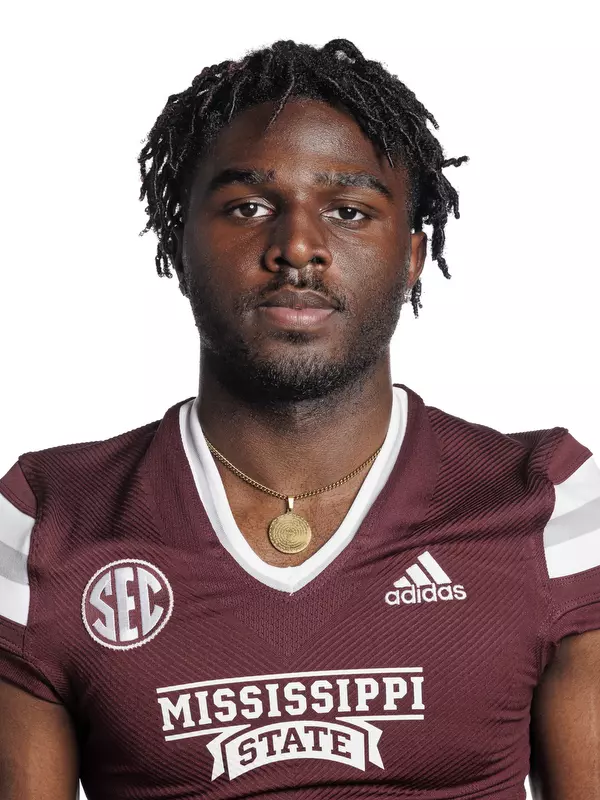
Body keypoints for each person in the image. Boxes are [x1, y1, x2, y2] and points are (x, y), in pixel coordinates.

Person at [0, 37, 598, 800]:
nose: (298, 247)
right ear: (177, 247)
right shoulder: (43, 521)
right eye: (249, 207)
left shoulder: (546, 503)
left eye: (348, 210)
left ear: (412, 256)